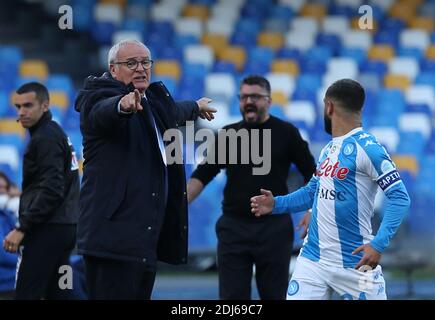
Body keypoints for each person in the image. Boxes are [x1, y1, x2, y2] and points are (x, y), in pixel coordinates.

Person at [74, 39, 216, 300]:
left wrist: (196, 106)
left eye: (145, 62)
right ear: (113, 69)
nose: (140, 68)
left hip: (143, 241)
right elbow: (102, 113)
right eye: (131, 63)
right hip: (112, 242)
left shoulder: (153, 102)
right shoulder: (98, 96)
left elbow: (173, 110)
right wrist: (122, 106)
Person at [251, 79, 411, 300]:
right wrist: (276, 204)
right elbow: (312, 192)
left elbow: (400, 198)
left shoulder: (369, 149)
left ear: (329, 106)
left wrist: (378, 243)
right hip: (313, 260)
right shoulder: (329, 149)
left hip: (356, 262)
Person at [187, 75, 316, 300]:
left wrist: (312, 210)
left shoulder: (287, 133)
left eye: (255, 97)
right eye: (244, 96)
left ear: (269, 101)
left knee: (274, 296)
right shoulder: (228, 134)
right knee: (232, 300)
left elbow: (312, 174)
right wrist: (177, 205)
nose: (248, 101)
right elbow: (203, 175)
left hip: (274, 229)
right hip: (233, 228)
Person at [2, 82, 80, 299]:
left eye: (28, 105)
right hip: (64, 227)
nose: (21, 112)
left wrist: (22, 227)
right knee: (59, 294)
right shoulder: (54, 132)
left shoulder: (45, 137)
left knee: (28, 293)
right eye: (18, 107)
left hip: (48, 229)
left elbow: (52, 188)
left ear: (45, 105)